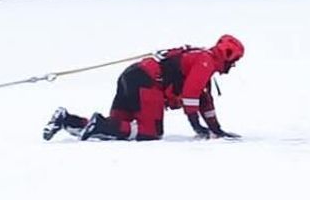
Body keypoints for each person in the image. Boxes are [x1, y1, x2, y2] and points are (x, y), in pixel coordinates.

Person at [43, 34, 245, 141]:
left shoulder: (200, 60)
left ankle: (67, 120)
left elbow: (203, 99)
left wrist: (216, 129)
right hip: (147, 82)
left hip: (132, 76)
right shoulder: (205, 62)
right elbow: (190, 96)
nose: (234, 65)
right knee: (150, 132)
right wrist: (196, 126)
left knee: (117, 127)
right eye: (235, 61)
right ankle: (100, 124)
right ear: (227, 56)